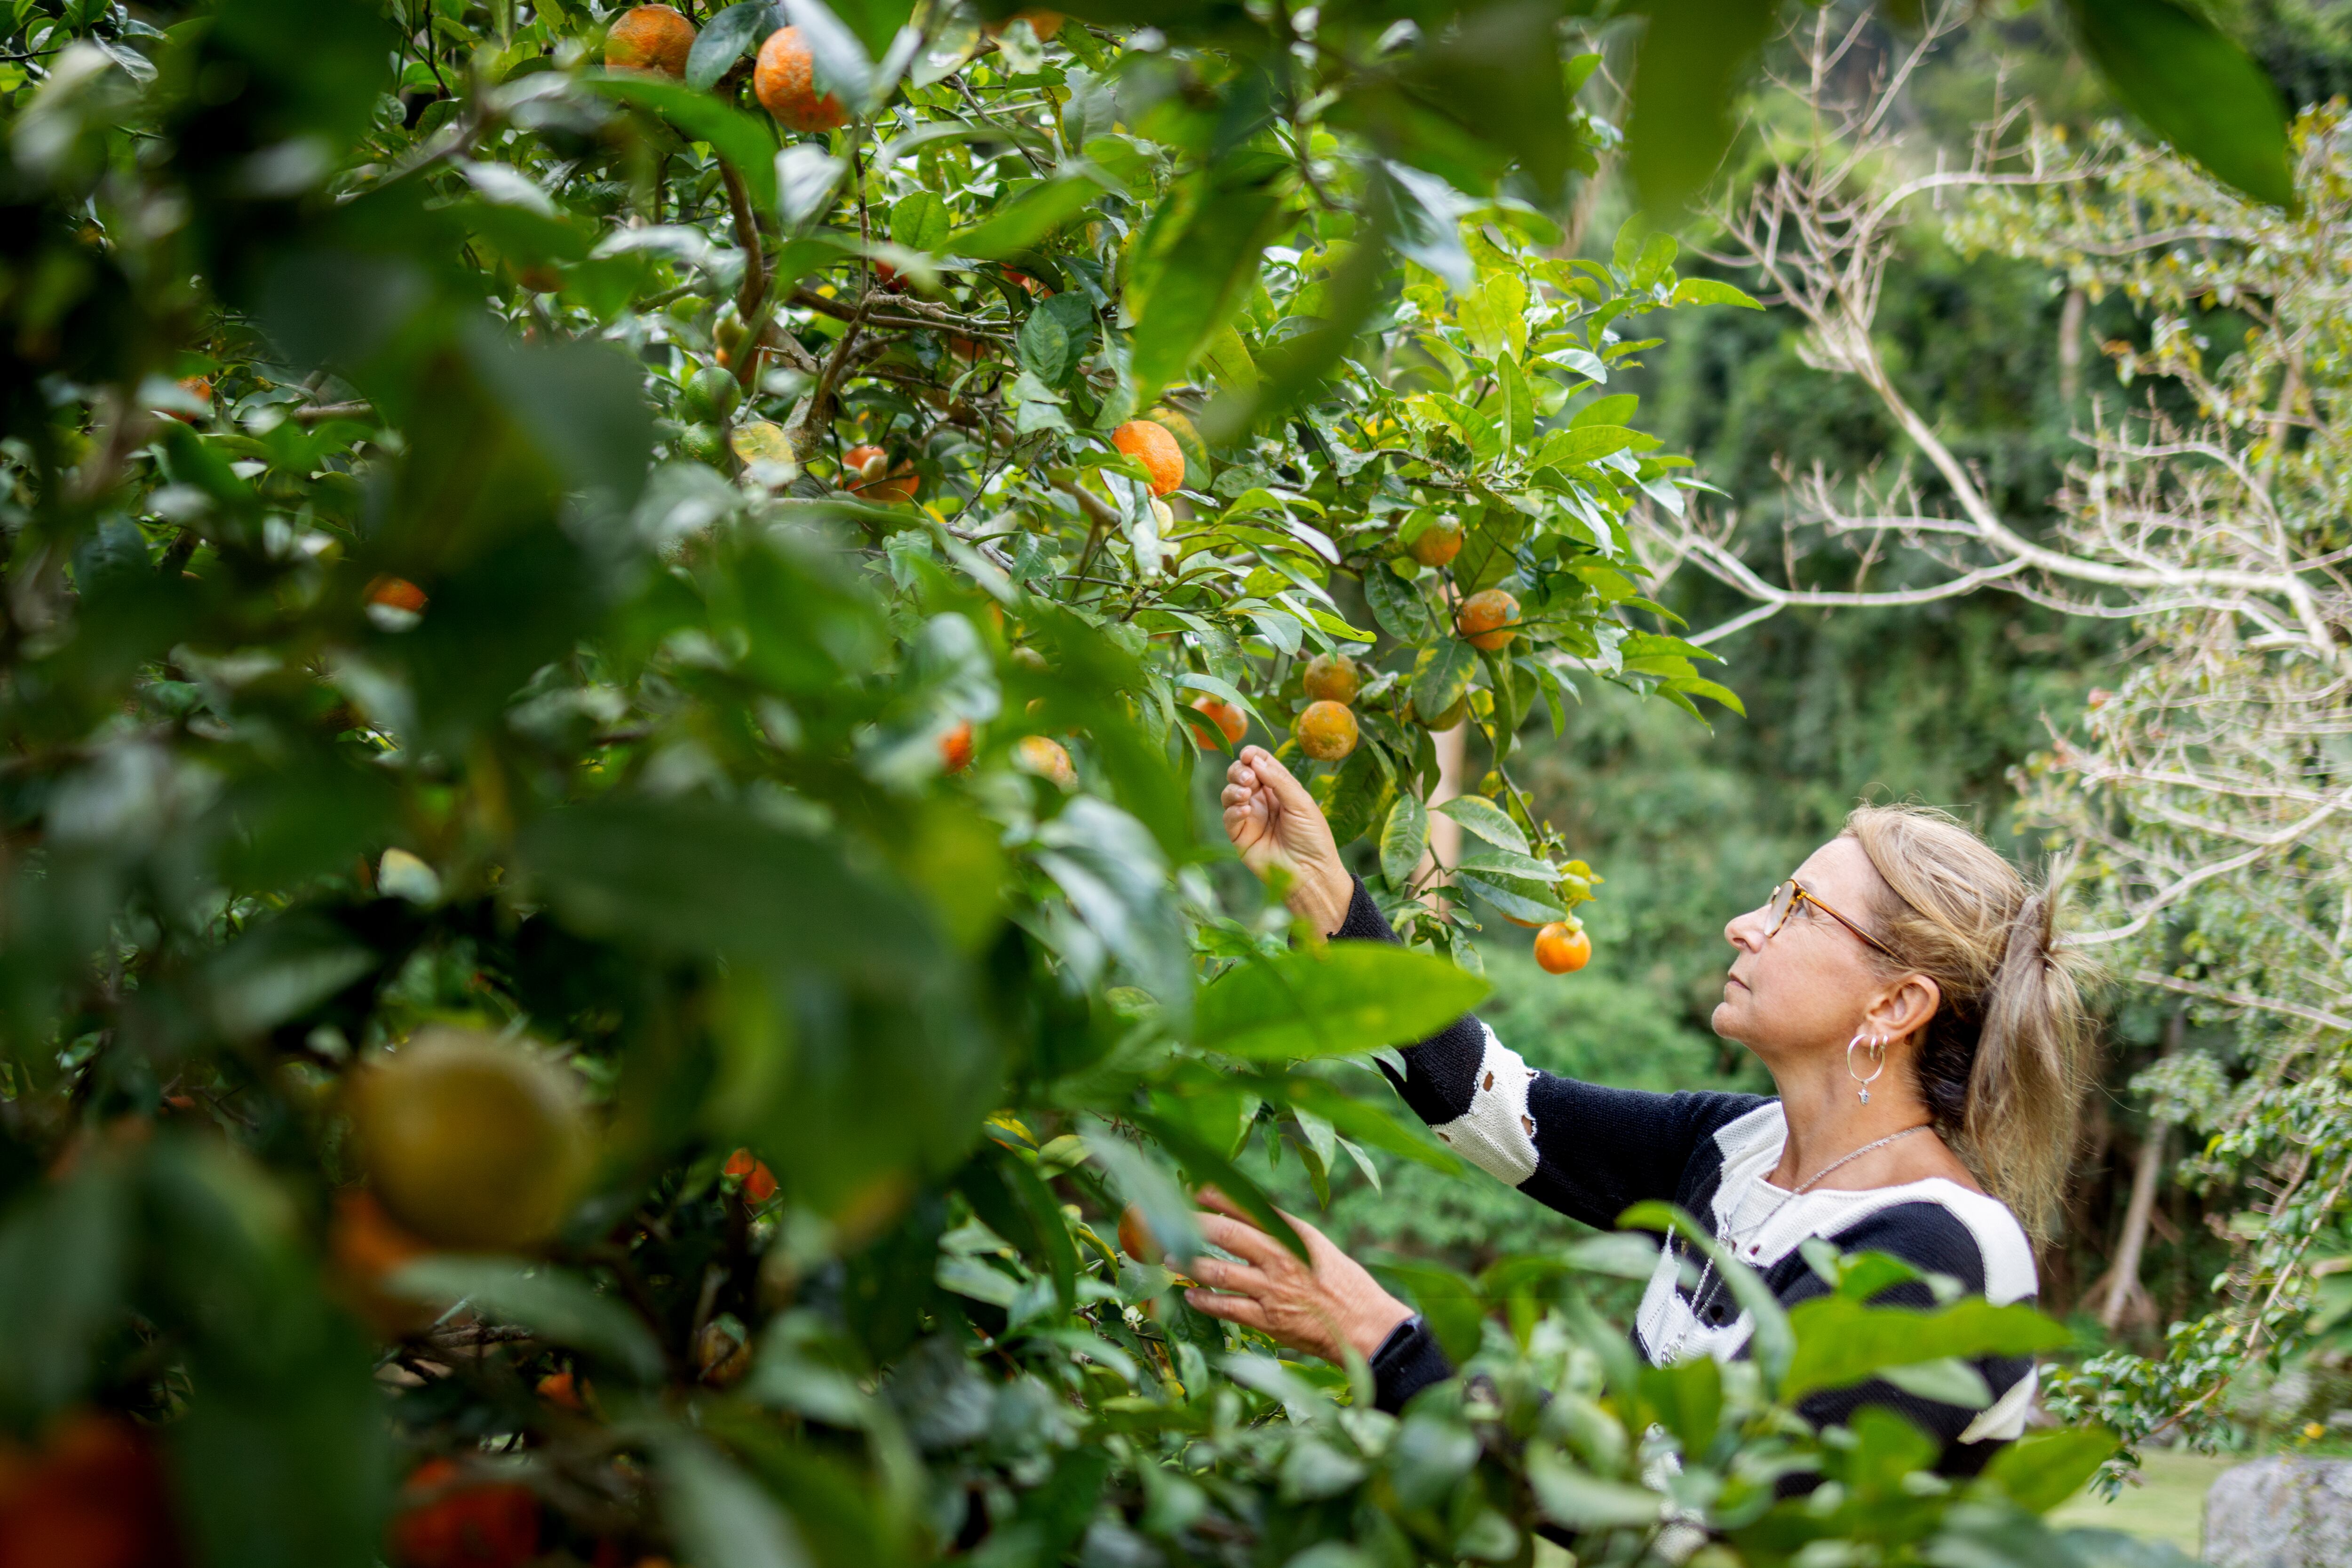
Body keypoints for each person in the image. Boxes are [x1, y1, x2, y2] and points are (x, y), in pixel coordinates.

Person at [1183, 745, 2094, 1475]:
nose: (1747, 921)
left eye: (1798, 907)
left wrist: (1377, 1336)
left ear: (1895, 1004)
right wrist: (1328, 895)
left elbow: (1693, 1517)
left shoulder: (1935, 1253)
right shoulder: (1737, 1146)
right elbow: (1492, 1100)